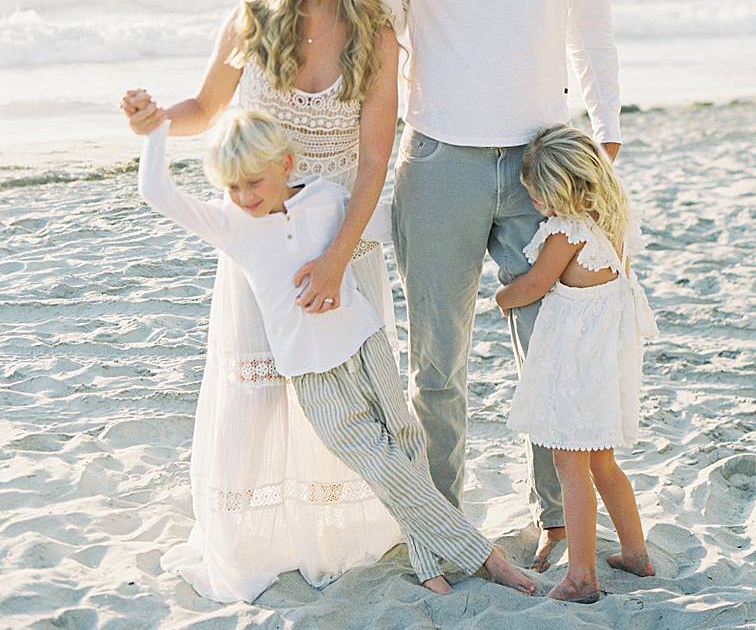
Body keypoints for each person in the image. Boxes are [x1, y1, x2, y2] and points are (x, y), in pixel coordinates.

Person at [117, 0, 403, 602]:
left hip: (339, 232)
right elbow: (204, 111)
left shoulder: (378, 33)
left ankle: (329, 537)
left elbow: (375, 159)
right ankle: (248, 541)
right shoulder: (253, 20)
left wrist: (337, 256)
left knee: (339, 392)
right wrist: (155, 120)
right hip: (255, 236)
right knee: (256, 391)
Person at [381, 0, 623, 572]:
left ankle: (559, 519)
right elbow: (387, 25)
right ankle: (442, 521)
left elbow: (589, 13)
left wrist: (608, 120)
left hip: (540, 160)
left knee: (552, 352)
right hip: (440, 156)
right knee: (436, 364)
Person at [131, 111, 542, 597]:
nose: (244, 197)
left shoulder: (327, 198)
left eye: (253, 182)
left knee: (406, 446)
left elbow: (390, 227)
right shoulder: (232, 226)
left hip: (365, 342)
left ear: (285, 163)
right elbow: (156, 192)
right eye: (233, 187)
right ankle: (485, 556)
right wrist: (155, 129)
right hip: (311, 373)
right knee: (379, 464)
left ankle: (427, 557)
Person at [498, 126, 658, 603]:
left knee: (569, 464)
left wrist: (503, 297)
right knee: (604, 463)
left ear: (562, 192)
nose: (536, 204)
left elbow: (534, 284)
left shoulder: (568, 232)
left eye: (538, 195)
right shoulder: (615, 222)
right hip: (607, 360)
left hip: (578, 362)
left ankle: (582, 576)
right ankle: (635, 554)